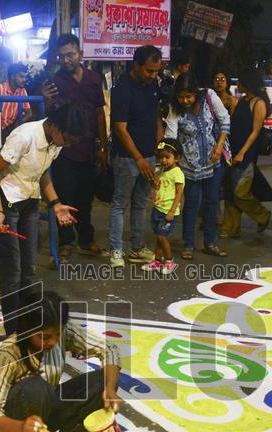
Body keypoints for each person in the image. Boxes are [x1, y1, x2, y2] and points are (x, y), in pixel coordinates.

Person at [0, 291, 122, 432]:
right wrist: (22, 428)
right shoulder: (8, 354)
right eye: (44, 337)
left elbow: (108, 349)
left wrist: (110, 389)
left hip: (49, 405)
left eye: (58, 334)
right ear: (26, 330)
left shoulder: (62, 331)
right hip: (20, 419)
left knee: (103, 380)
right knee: (35, 387)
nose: (54, 342)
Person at [0, 104, 89, 335]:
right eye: (68, 139)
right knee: (11, 271)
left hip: (29, 201)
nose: (68, 145)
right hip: (6, 200)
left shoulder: (55, 141)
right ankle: (13, 332)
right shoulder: (24, 136)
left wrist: (55, 204)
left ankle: (30, 324)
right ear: (54, 125)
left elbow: (42, 173)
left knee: (29, 269)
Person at [42, 34, 109, 261]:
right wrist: (47, 100)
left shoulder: (92, 79)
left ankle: (86, 239)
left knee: (85, 199)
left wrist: (102, 147)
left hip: (89, 148)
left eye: (70, 55)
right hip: (65, 149)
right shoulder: (56, 80)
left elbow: (100, 113)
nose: (66, 60)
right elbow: (51, 116)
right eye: (62, 56)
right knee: (66, 196)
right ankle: (66, 242)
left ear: (80, 54)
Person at [163, 73, 230, 259]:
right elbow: (171, 138)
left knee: (211, 203)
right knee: (192, 205)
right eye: (181, 96)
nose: (185, 100)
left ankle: (210, 242)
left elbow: (225, 120)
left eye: (189, 96)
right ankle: (188, 244)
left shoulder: (209, 96)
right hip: (188, 166)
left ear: (196, 93)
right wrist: (167, 165)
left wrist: (219, 146)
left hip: (213, 162)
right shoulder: (175, 109)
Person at [108, 44, 164, 268]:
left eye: (156, 71)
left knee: (141, 203)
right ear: (136, 65)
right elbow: (120, 128)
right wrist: (139, 158)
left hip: (150, 154)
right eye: (149, 70)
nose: (153, 75)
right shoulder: (122, 87)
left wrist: (159, 136)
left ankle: (138, 248)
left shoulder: (153, 84)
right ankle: (116, 251)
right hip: (127, 158)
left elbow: (156, 113)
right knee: (120, 204)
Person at [221, 69, 272, 239]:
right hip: (233, 150)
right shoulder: (242, 100)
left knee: (239, 192)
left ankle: (262, 215)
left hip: (246, 153)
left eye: (241, 82)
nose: (238, 85)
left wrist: (242, 153)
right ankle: (230, 228)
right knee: (230, 191)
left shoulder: (258, 103)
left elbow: (255, 132)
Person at [145, 138, 184, 274]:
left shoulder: (177, 173)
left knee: (162, 236)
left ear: (177, 158)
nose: (163, 160)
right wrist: (153, 182)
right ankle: (157, 260)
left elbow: (179, 193)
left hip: (168, 212)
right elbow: (157, 186)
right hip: (157, 209)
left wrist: (172, 211)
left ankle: (169, 261)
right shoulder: (161, 171)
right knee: (158, 237)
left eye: (167, 157)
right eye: (161, 157)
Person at [0, 63, 32, 136]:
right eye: (21, 77)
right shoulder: (0, 89)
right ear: (12, 76)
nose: (24, 80)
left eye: (25, 77)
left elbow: (29, 113)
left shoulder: (22, 91)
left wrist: (17, 125)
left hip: (10, 129)